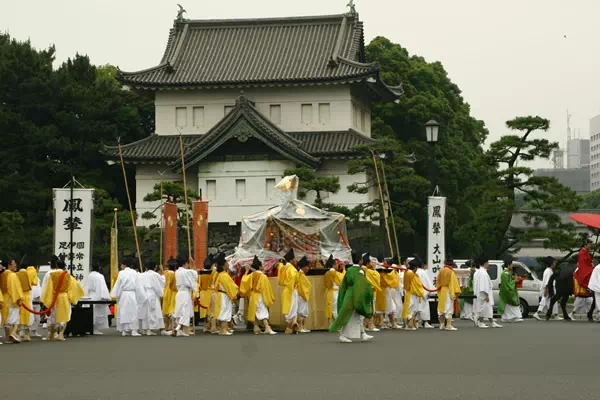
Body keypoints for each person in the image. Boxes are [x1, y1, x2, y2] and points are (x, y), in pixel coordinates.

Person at [329, 252, 374, 343]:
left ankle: (363, 333)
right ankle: (343, 335)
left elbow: (345, 283)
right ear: (360, 260)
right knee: (348, 314)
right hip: (355, 294)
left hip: (351, 294)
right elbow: (361, 284)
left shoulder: (350, 270)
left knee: (356, 315)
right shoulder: (359, 271)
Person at [41, 259, 85, 341]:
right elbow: (74, 286)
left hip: (54, 297)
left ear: (56, 266)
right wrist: (72, 298)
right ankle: (61, 334)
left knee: (52, 316)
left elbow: (48, 288)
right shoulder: (67, 275)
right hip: (64, 297)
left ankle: (51, 334)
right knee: (65, 316)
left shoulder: (52, 275)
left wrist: (46, 299)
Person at [239, 256, 276, 335]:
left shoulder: (251, 275)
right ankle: (267, 327)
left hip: (252, 295)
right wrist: (269, 297)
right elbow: (266, 288)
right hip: (259, 296)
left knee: (254, 311)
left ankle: (256, 327)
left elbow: (244, 281)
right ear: (259, 266)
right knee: (263, 311)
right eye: (262, 265)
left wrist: (246, 271)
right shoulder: (263, 276)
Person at [110, 257, 145, 337]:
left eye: (121, 265)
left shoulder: (121, 273)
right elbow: (138, 285)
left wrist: (115, 295)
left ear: (124, 265)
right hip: (132, 293)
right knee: (133, 311)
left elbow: (118, 285)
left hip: (124, 294)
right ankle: (133, 330)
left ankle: (124, 330)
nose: (121, 266)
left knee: (124, 311)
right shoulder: (134, 273)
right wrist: (141, 296)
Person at [213, 253, 239, 336]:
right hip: (223, 295)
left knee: (223, 311)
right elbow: (231, 286)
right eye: (227, 263)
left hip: (222, 295)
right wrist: (236, 292)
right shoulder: (224, 275)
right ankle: (223, 329)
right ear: (224, 265)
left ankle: (222, 329)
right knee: (224, 311)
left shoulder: (222, 274)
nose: (228, 265)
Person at [473, 256, 502, 329]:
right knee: (484, 309)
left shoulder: (479, 272)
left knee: (487, 309)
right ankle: (480, 322)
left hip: (481, 294)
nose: (488, 264)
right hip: (484, 294)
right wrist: (486, 295)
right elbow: (483, 286)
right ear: (485, 263)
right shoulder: (483, 273)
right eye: (488, 263)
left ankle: (491, 322)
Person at [173, 256, 199, 337]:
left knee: (180, 311)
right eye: (187, 263)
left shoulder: (177, 272)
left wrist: (191, 265)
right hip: (185, 293)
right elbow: (195, 275)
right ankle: (179, 328)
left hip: (179, 293)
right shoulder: (186, 272)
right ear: (185, 263)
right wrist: (193, 263)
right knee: (185, 312)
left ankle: (182, 329)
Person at [138, 262, 166, 336]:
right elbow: (161, 282)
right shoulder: (155, 274)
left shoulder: (142, 275)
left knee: (146, 312)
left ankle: (146, 329)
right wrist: (162, 274)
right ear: (155, 267)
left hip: (144, 294)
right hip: (152, 293)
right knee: (152, 312)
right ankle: (149, 329)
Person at [83, 263, 111, 335]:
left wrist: (84, 296)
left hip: (90, 296)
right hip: (97, 295)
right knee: (97, 313)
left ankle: (89, 328)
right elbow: (103, 288)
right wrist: (106, 297)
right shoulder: (100, 276)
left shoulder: (89, 275)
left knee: (91, 313)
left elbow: (85, 287)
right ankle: (95, 329)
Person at [1, 258, 24, 343]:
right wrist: (18, 299)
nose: (15, 265)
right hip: (11, 298)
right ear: (9, 265)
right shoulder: (12, 275)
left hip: (4, 298)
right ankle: (14, 333)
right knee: (15, 318)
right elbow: (15, 288)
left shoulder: (3, 274)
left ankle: (7, 337)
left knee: (7, 318)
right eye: (14, 263)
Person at [436, 255, 462, 331]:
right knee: (449, 309)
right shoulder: (451, 272)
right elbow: (454, 283)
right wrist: (457, 292)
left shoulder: (441, 270)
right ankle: (448, 325)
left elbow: (438, 282)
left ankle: (441, 325)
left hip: (442, 290)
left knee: (441, 309)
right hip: (448, 290)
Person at [278, 249, 299, 334]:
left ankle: (293, 325)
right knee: (292, 308)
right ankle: (289, 327)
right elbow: (293, 278)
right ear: (291, 259)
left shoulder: (283, 268)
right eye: (294, 259)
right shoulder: (291, 269)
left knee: (290, 308)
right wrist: (292, 287)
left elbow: (280, 280)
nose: (295, 260)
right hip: (291, 290)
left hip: (286, 290)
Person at [533, 256, 561, 320]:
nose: (555, 264)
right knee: (545, 301)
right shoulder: (548, 271)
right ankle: (537, 313)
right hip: (548, 289)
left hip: (549, 289)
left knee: (552, 301)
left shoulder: (549, 270)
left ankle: (555, 315)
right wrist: (546, 290)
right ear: (551, 263)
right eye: (554, 262)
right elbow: (547, 281)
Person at [402, 257, 425, 331]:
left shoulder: (406, 272)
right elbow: (417, 286)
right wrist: (421, 293)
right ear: (415, 267)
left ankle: (409, 324)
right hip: (413, 294)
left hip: (408, 292)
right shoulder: (412, 274)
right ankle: (410, 325)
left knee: (409, 309)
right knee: (413, 310)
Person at [498, 256, 523, 323]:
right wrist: (515, 281)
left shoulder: (507, 273)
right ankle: (516, 317)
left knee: (508, 306)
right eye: (511, 264)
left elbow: (509, 282)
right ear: (508, 265)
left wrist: (514, 279)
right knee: (513, 304)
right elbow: (508, 284)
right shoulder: (505, 274)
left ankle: (506, 318)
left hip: (507, 291)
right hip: (508, 291)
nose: (512, 266)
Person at [361, 253, 381, 332]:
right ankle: (370, 325)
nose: (372, 263)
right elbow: (377, 276)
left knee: (369, 309)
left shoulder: (365, 269)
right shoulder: (367, 270)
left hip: (368, 291)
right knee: (370, 309)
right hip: (368, 292)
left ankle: (366, 325)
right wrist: (374, 268)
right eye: (370, 262)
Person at [573, 239, 594, 317]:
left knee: (588, 300)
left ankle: (590, 314)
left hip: (587, 269)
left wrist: (591, 263)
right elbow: (583, 265)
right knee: (584, 299)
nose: (590, 246)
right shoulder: (582, 253)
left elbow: (588, 262)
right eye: (589, 244)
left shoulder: (586, 252)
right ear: (586, 244)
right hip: (584, 272)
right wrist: (591, 266)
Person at [17, 264, 37, 342]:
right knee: (28, 316)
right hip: (27, 297)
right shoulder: (30, 273)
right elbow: (35, 282)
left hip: (19, 297)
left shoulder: (16, 275)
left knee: (19, 316)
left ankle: (18, 335)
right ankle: (26, 335)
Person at [199, 254, 218, 333]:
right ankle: (213, 327)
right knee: (212, 311)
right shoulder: (214, 271)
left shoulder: (201, 272)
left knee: (206, 311)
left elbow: (199, 283)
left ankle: (206, 326)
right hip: (212, 292)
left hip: (203, 292)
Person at [415, 260, 434, 329]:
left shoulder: (414, 272)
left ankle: (416, 322)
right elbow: (428, 282)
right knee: (424, 308)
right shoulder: (423, 272)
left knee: (416, 307)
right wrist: (430, 291)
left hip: (416, 293)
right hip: (423, 292)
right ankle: (425, 322)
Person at [297, 256, 312, 333]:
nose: (308, 268)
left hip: (302, 295)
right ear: (304, 267)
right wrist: (305, 295)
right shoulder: (301, 275)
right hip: (302, 295)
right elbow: (302, 287)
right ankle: (300, 327)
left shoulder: (301, 274)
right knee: (301, 312)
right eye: (307, 267)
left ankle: (302, 327)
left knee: (303, 312)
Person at [324, 255, 340, 326]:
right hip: (335, 292)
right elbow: (340, 282)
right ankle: (338, 324)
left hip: (330, 292)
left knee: (332, 308)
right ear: (333, 265)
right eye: (337, 264)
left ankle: (333, 324)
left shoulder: (327, 273)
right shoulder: (335, 273)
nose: (338, 266)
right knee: (335, 309)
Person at [28, 265, 42, 337]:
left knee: (37, 317)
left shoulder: (37, 278)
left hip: (37, 300)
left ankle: (34, 331)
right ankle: (27, 331)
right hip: (30, 299)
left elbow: (39, 289)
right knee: (30, 316)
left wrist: (40, 297)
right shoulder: (28, 277)